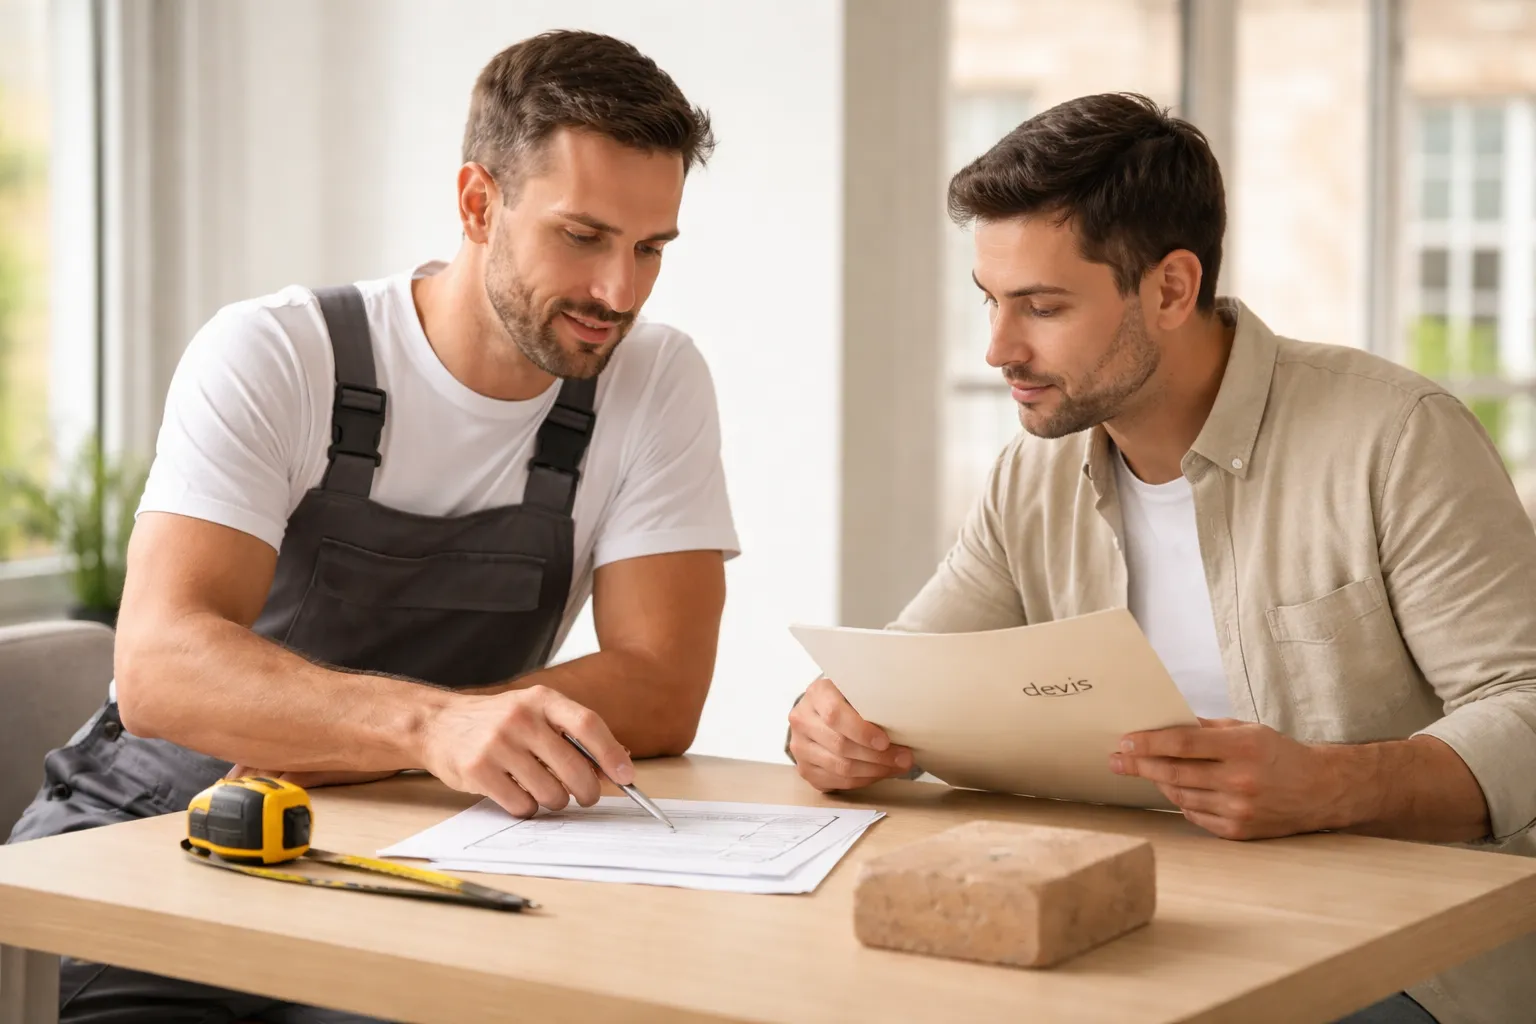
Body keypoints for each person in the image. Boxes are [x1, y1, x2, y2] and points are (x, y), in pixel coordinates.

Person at [9, 30, 738, 1024]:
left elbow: (660, 682)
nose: (621, 291)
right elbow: (161, 667)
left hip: (397, 858)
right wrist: (435, 727)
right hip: (154, 836)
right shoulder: (278, 353)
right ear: (478, 203)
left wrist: (388, 747)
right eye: (583, 236)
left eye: (651, 247)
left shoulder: (654, 380)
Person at [786, 93, 1536, 1024]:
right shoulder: (1034, 475)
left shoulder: (1394, 438)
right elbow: (896, 678)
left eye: (1043, 307)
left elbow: (1527, 710)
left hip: (1398, 959)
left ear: (1173, 289)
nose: (998, 348)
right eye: (990, 301)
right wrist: (829, 727)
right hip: (1135, 925)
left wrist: (1331, 784)